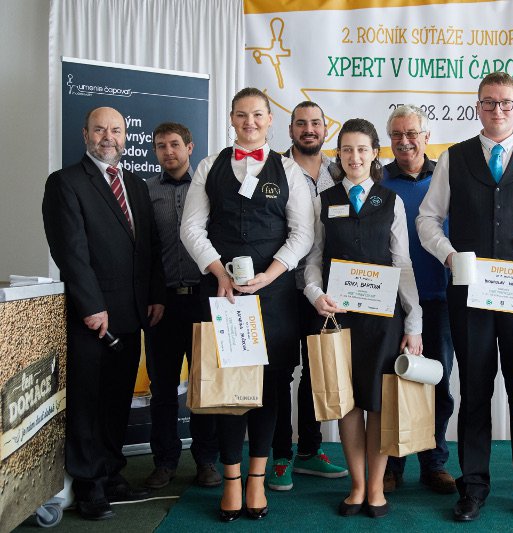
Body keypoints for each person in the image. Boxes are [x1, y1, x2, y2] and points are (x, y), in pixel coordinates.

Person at [416, 71, 513, 523]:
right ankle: (473, 488)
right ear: (478, 107)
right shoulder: (454, 158)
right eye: (489, 102)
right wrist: (448, 256)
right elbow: (427, 219)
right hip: (471, 297)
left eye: (505, 102)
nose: (497, 109)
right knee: (475, 392)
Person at [180, 88, 314, 522]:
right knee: (228, 388)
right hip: (223, 293)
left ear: (270, 119)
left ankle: (257, 477)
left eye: (258, 115)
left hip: (273, 295)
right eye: (242, 115)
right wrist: (219, 273)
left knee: (269, 386)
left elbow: (302, 233)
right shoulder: (209, 167)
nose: (250, 122)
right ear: (231, 118)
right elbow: (191, 228)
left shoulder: (289, 170)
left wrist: (270, 275)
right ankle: (232, 479)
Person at [42, 106, 166, 521]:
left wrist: (155, 295)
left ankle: (111, 472)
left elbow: (148, 247)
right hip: (91, 317)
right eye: (99, 130)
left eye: (115, 130)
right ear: (85, 135)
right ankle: (89, 485)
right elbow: (70, 251)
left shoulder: (136, 184)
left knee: (116, 400)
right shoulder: (65, 183)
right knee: (88, 403)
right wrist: (92, 306)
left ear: (125, 136)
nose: (107, 137)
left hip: (132, 314)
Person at [304, 118, 423, 519]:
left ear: (375, 154)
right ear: (338, 155)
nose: (354, 157)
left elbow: (402, 264)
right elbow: (313, 259)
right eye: (347, 150)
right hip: (339, 318)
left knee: (379, 403)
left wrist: (414, 323)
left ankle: (376, 487)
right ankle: (356, 486)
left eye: (362, 149)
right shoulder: (324, 200)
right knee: (348, 404)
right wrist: (315, 294)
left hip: (383, 319)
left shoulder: (391, 201)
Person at [267, 101, 348, 492]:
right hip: (282, 286)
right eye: (301, 124)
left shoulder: (341, 170)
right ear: (290, 130)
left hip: (326, 290)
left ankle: (310, 451)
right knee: (280, 372)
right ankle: (281, 455)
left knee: (317, 370)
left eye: (316, 123)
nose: (309, 129)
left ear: (325, 129)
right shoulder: (275, 170)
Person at [381, 105, 456, 494]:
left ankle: (434, 462)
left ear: (427, 137)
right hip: (390, 300)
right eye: (397, 134)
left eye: (412, 133)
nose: (405, 141)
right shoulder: (377, 180)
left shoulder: (447, 178)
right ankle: (392, 465)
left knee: (437, 382)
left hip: (440, 299)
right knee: (393, 382)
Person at [143, 122, 221, 490]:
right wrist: (154, 295)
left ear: (190, 147)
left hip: (204, 301)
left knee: (205, 386)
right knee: (162, 388)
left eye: (175, 144)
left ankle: (206, 460)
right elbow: (144, 251)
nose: (168, 151)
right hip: (163, 304)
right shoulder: (146, 192)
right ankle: (165, 461)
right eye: (161, 146)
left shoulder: (207, 187)